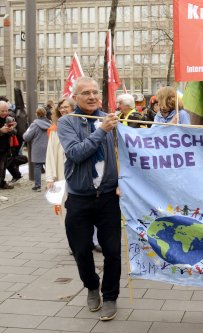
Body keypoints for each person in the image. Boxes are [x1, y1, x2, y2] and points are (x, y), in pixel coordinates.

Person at [57, 77, 121, 321]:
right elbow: (75, 153)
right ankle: (92, 286)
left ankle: (111, 296)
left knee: (113, 251)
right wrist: (101, 130)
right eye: (86, 93)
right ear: (76, 97)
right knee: (81, 250)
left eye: (95, 92)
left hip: (107, 198)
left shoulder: (110, 119)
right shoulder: (67, 122)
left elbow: (128, 153)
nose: (92, 96)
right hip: (79, 199)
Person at [23, 107, 51, 192]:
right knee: (49, 167)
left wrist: (25, 133)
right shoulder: (50, 123)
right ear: (45, 114)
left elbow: (27, 137)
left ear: (37, 114)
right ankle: (50, 185)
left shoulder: (34, 124)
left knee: (38, 167)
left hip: (37, 149)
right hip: (48, 147)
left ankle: (38, 186)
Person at [0, 101, 17, 190]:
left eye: (6, 110)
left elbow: (15, 133)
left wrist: (11, 130)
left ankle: (2, 182)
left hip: (5, 147)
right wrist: (1, 131)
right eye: (2, 111)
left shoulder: (8, 119)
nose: (5, 113)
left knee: (3, 167)